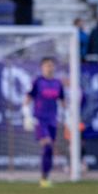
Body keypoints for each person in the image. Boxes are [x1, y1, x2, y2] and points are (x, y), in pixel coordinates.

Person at [25, 56, 66, 187]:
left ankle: (45, 177)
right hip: (40, 120)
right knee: (47, 146)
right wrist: (27, 116)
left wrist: (69, 116)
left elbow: (63, 101)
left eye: (51, 65)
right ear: (42, 67)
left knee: (50, 149)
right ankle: (43, 178)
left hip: (53, 120)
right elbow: (27, 100)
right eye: (47, 65)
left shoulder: (58, 83)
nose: (49, 68)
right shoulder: (37, 82)